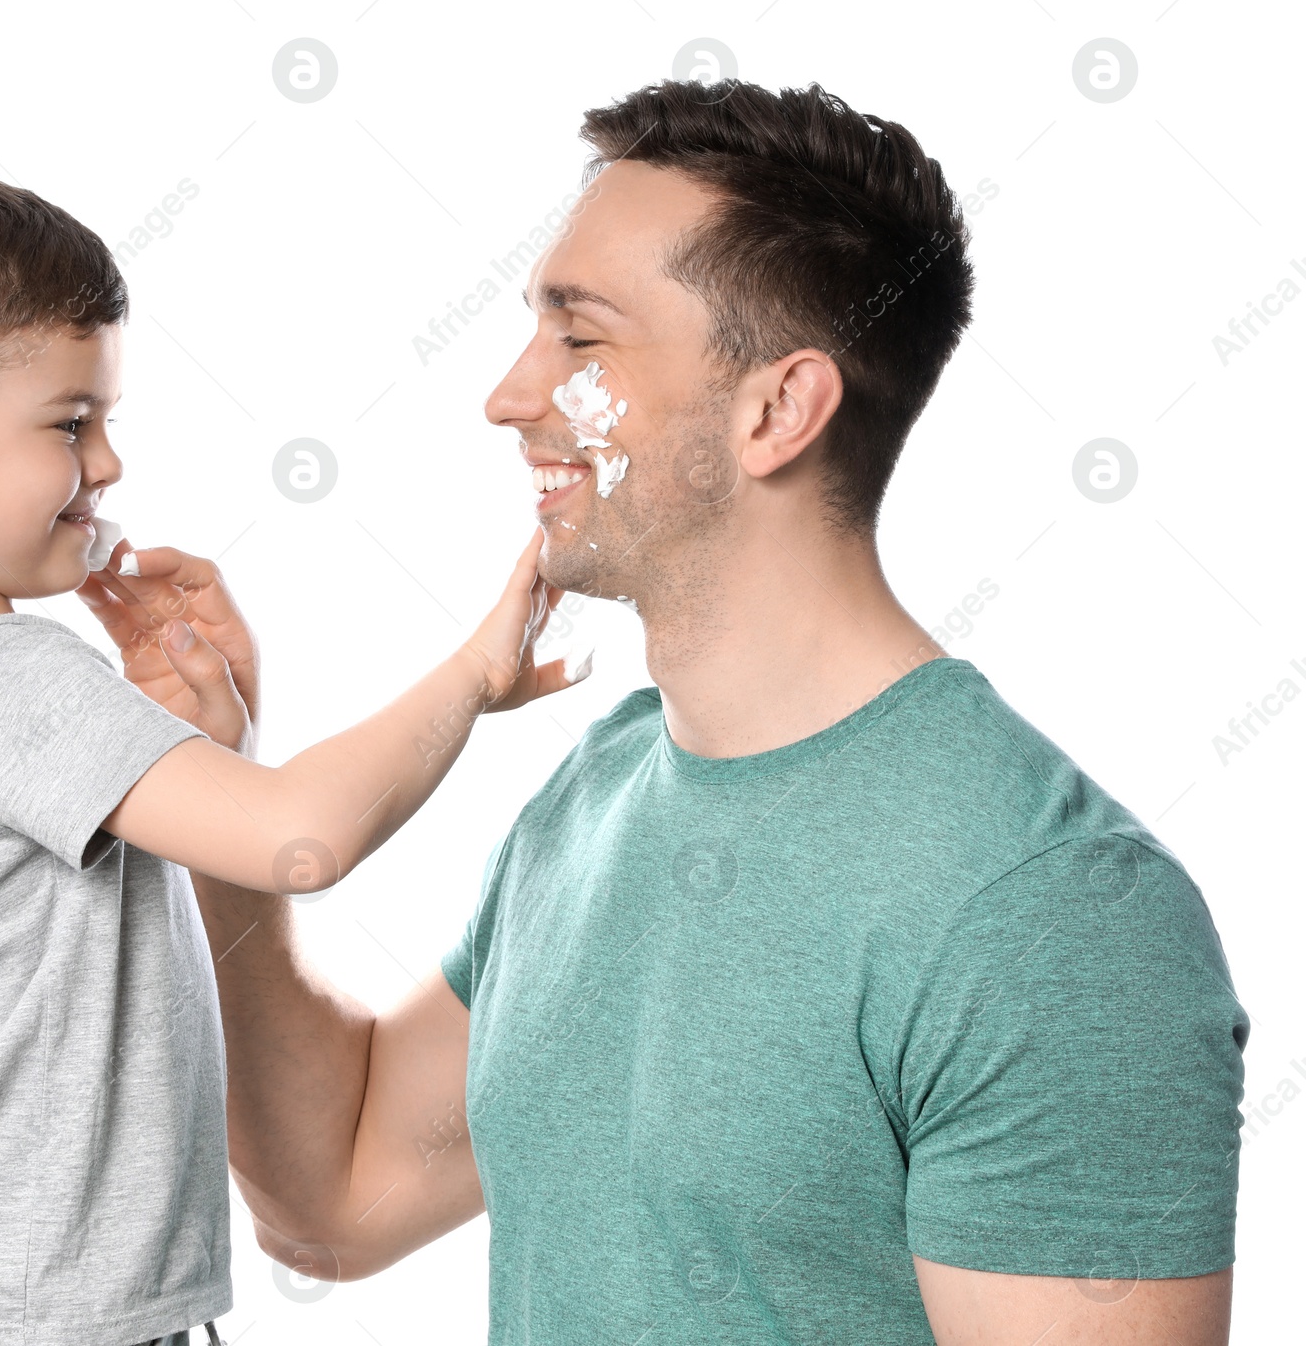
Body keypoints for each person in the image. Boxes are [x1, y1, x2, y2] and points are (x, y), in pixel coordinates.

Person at [110, 81, 1247, 1343]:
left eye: (580, 341)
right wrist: (222, 806)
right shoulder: (599, 795)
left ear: (775, 410)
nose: (506, 395)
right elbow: (336, 1197)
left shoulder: (1051, 912)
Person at [0, 168, 577, 1346]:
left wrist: (210, 750)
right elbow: (301, 838)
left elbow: (229, 842)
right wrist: (476, 673)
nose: (107, 465)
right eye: (67, 423)